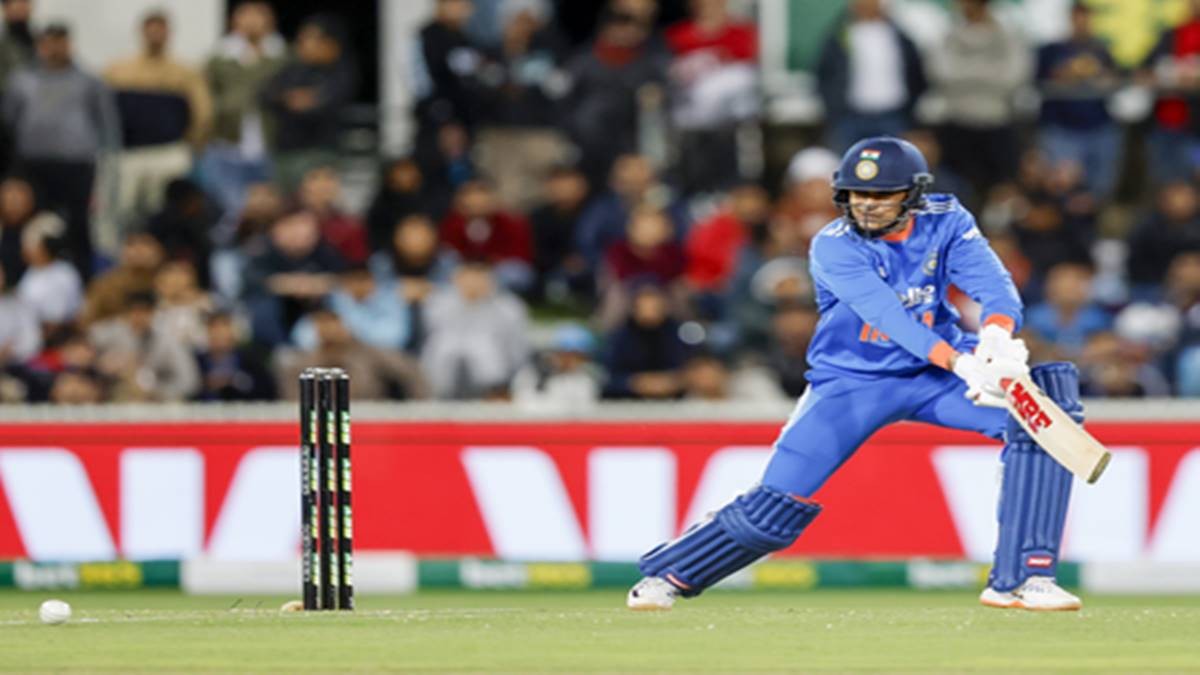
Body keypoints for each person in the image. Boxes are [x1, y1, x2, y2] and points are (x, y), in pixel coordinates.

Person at [626, 136, 1083, 612]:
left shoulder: (947, 219)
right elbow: (889, 317)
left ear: (913, 194)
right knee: (774, 506)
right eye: (858, 193)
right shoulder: (833, 246)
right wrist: (962, 362)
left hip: (934, 376)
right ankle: (668, 575)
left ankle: (1024, 578)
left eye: (882, 194)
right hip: (854, 382)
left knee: (1043, 427)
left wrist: (996, 337)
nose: (867, 204)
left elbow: (994, 285)